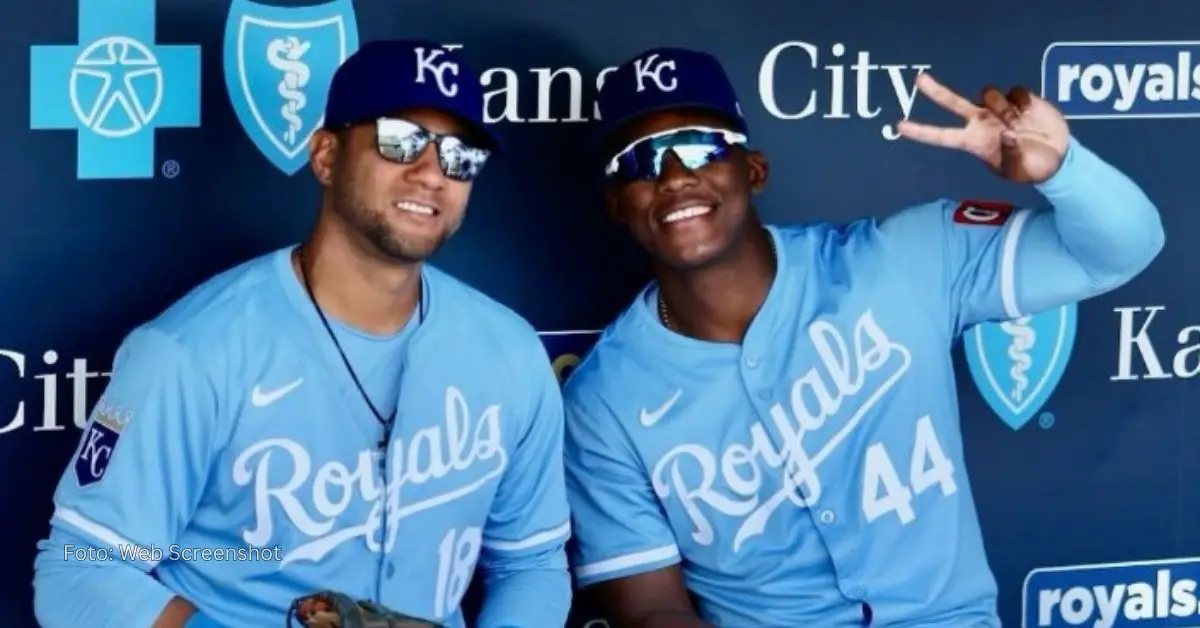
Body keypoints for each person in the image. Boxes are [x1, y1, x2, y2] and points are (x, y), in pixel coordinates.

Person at [562, 47, 1164, 627]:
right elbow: (649, 608)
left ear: (754, 170)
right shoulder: (602, 399)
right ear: (618, 202)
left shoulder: (901, 259)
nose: (672, 177)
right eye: (640, 161)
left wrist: (1065, 169)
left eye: (700, 146)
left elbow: (1120, 250)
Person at [32, 39, 572, 628]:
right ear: (325, 156)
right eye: (401, 140)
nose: (431, 174)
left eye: (459, 156)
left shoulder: (510, 351)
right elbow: (79, 569)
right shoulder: (193, 351)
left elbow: (531, 564)